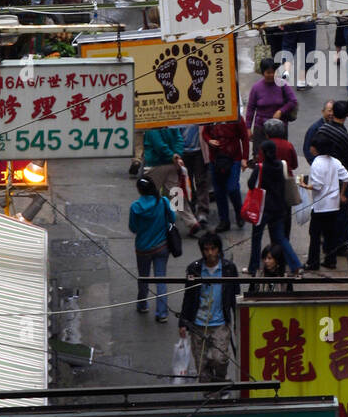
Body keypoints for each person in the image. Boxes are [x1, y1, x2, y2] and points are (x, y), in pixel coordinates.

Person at [179, 233, 240, 384]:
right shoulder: (194, 269)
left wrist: (237, 322)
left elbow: (235, 297)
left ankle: (219, 383)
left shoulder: (228, 269)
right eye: (206, 249)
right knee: (202, 362)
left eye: (213, 249)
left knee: (220, 359)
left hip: (220, 323)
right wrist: (183, 323)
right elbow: (188, 297)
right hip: (198, 323)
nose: (210, 253)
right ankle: (209, 392)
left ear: (218, 249)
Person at [245, 141, 303, 278]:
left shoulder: (260, 167)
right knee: (281, 238)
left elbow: (250, 184)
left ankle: (253, 267)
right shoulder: (281, 165)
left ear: (263, 153)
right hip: (278, 208)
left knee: (256, 238)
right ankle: (296, 265)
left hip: (262, 209)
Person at [311, 98, 348, 260]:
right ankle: (340, 246)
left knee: (325, 211)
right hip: (338, 177)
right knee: (343, 212)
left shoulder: (322, 129)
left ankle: (328, 245)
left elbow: (313, 147)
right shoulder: (345, 137)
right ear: (347, 115)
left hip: (322, 175)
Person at [128, 175, 176, 322]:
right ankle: (162, 313)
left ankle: (142, 304)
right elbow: (172, 219)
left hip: (143, 248)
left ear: (140, 190)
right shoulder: (163, 201)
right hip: (161, 246)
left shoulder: (135, 207)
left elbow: (133, 227)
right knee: (161, 278)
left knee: (143, 278)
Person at [142, 125, 203, 237]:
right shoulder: (171, 122)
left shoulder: (151, 123)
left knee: (149, 194)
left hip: (156, 164)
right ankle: (191, 222)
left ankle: (150, 224)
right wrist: (176, 156)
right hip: (172, 164)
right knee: (176, 195)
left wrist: (172, 156)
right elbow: (179, 139)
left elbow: (158, 145)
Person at [302, 137, 348, 271]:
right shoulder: (335, 161)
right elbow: (345, 177)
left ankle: (313, 262)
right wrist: (342, 194)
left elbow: (317, 186)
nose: (310, 148)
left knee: (315, 234)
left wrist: (305, 185)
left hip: (320, 206)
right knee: (330, 234)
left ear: (316, 149)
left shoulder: (317, 162)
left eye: (312, 146)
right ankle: (330, 260)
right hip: (334, 205)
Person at [202, 114, 250, 231]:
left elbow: (244, 137)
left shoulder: (236, 116)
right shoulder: (210, 115)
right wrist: (209, 140)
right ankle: (224, 220)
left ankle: (240, 214)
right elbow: (204, 132)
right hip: (216, 160)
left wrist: (245, 158)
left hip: (234, 158)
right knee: (219, 191)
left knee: (232, 188)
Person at [245, 57, 298, 153]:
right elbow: (250, 109)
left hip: (279, 127)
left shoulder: (282, 84)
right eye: (268, 72)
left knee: (280, 154)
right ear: (262, 73)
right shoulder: (256, 88)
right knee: (260, 155)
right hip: (261, 128)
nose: (271, 75)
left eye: (273, 72)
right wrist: (248, 128)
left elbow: (293, 101)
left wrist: (280, 111)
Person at [181, 124, 211, 225]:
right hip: (183, 150)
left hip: (199, 150)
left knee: (201, 181)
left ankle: (202, 211)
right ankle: (190, 207)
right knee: (186, 182)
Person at [303, 100, 333, 166]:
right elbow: (307, 148)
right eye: (329, 111)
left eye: (334, 111)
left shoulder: (336, 126)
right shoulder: (315, 128)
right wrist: (314, 164)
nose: (332, 113)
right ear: (323, 111)